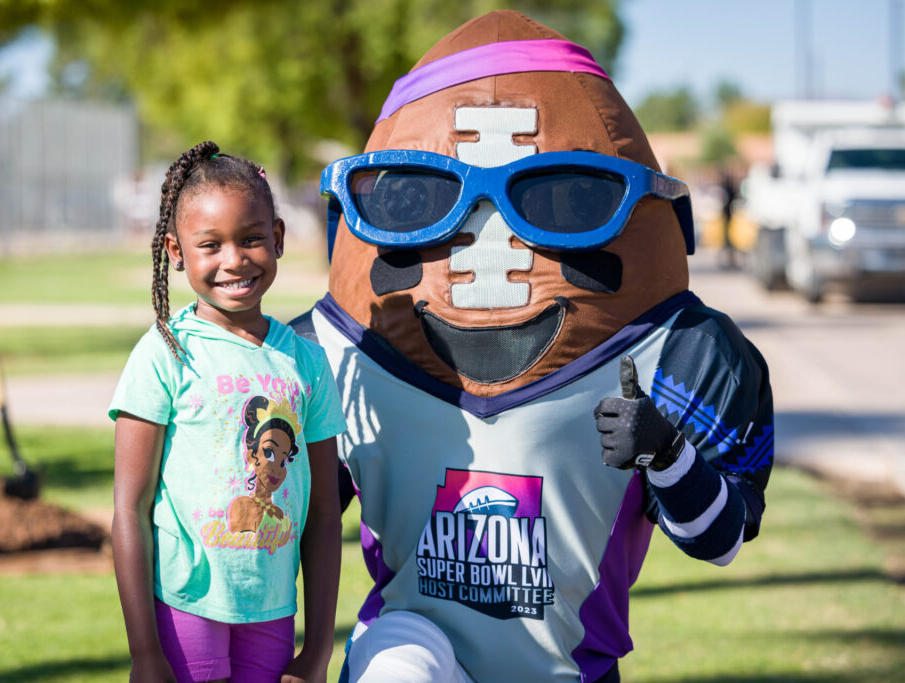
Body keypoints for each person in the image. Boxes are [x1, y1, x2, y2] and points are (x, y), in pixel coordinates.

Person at [293, 10, 772, 682]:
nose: (494, 249)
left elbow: (718, 541)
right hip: (412, 647)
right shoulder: (333, 355)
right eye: (418, 199)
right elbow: (276, 524)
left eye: (568, 201)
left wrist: (667, 452)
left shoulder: (672, 350)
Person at [109, 140, 346, 683]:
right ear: (175, 251)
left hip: (272, 614)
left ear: (279, 238)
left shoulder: (305, 361)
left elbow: (325, 513)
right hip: (185, 608)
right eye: (210, 245)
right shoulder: (164, 354)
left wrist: (317, 650)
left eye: (252, 239)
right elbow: (130, 508)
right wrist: (144, 652)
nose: (234, 260)